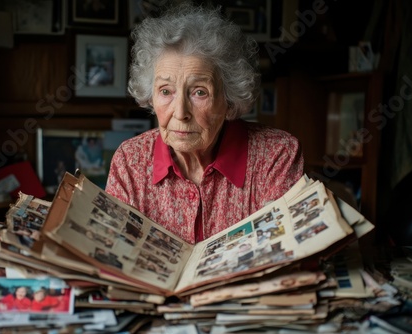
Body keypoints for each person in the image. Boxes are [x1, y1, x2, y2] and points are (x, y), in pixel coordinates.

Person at [106, 4, 304, 244]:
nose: (180, 113)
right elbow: (114, 253)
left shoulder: (276, 155)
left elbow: (290, 251)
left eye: (199, 92)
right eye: (166, 91)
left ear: (229, 99)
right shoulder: (130, 161)